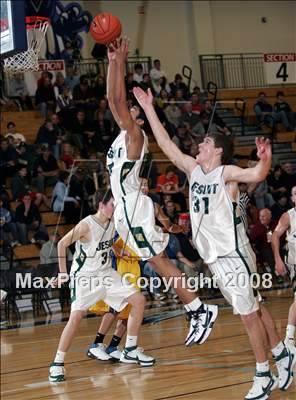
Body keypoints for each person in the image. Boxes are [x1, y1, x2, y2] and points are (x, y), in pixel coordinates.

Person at [133, 84, 295, 399]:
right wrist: (150, 108)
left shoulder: (226, 173)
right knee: (256, 308)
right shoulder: (193, 170)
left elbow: (257, 174)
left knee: (248, 316)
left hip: (232, 255)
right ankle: (282, 355)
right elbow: (165, 143)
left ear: (218, 150)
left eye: (205, 142)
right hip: (215, 258)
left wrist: (265, 159)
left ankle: (263, 376)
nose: (199, 145)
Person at [106, 38, 218, 348]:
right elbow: (111, 98)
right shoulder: (119, 136)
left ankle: (199, 309)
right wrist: (113, 61)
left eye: (130, 109)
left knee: (159, 261)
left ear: (136, 118)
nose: (124, 109)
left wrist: (121, 63)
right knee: (156, 262)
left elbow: (116, 101)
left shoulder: (134, 134)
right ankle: (196, 309)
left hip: (132, 206)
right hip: (125, 211)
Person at [48, 190, 155, 382]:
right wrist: (63, 272)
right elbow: (62, 244)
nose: (115, 209)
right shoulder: (86, 224)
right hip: (85, 277)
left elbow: (110, 240)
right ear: (101, 205)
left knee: (139, 300)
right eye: (112, 205)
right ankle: (57, 363)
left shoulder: (114, 222)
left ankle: (130, 349)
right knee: (76, 317)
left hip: (107, 273)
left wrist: (118, 251)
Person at [271, 186, 296, 359]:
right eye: (295, 193)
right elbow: (274, 236)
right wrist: (278, 259)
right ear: (293, 198)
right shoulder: (289, 216)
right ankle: (289, 337)